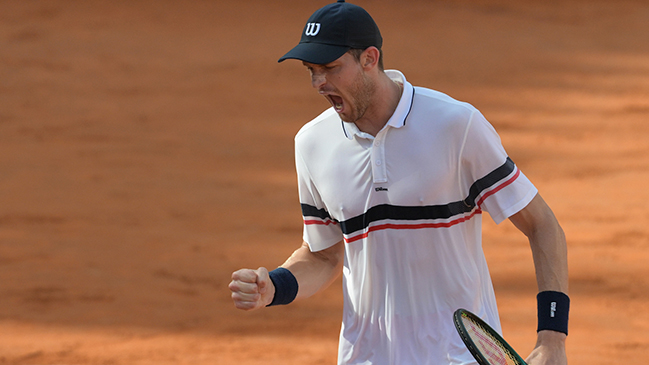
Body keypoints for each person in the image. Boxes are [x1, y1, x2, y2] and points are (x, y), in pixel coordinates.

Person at [229, 1, 569, 364]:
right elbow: (324, 255)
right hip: (367, 357)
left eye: (330, 68)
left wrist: (552, 340)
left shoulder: (455, 126)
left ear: (369, 59)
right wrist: (275, 287)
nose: (318, 83)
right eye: (311, 70)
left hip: (455, 355)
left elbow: (542, 224)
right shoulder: (312, 143)